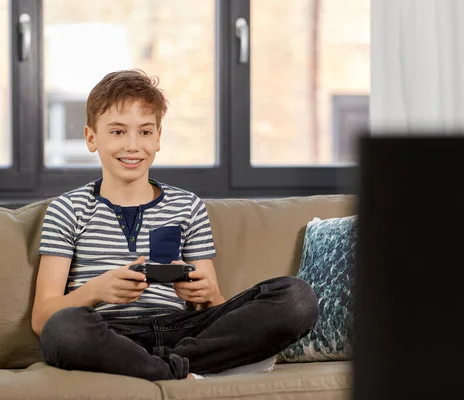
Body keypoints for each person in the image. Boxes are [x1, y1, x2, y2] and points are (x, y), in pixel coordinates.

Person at [31, 69, 319, 381]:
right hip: (110, 334)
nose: (132, 145)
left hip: (183, 332)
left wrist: (206, 294)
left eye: (144, 132)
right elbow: (42, 318)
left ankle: (166, 367)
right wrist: (98, 289)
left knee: (297, 298)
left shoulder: (187, 206)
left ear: (157, 139)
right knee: (63, 330)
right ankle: (182, 370)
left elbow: (215, 306)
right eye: (117, 132)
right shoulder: (67, 209)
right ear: (91, 138)